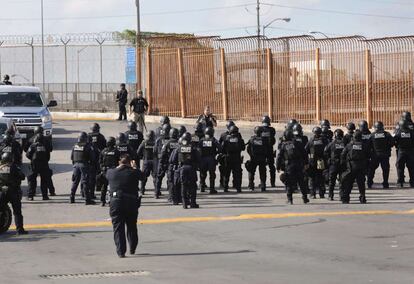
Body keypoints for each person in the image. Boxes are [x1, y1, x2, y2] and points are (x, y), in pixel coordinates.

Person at [106, 154, 143, 258]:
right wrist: (135, 167)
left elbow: (106, 176)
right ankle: (132, 248)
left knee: (118, 227)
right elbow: (143, 176)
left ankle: (121, 252)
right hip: (131, 202)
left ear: (119, 162)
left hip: (116, 202)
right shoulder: (134, 172)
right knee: (131, 226)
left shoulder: (111, 172)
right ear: (130, 162)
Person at [276, 130, 310, 204]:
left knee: (289, 182)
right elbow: (305, 154)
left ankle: (290, 199)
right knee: (301, 181)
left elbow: (279, 157)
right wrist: (306, 163)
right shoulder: (298, 143)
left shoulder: (284, 145)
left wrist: (278, 167)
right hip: (299, 164)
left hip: (289, 166)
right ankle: (305, 198)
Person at [170, 133, 200, 209]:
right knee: (193, 186)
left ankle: (184, 204)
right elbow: (198, 159)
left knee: (183, 185)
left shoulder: (178, 148)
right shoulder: (193, 148)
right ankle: (193, 203)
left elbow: (173, 159)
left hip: (182, 168)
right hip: (191, 168)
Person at [340, 130, 370, 204]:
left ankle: (346, 198)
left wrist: (344, 164)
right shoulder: (364, 145)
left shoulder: (349, 145)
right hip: (361, 166)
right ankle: (362, 198)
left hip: (351, 166)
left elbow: (343, 155)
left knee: (349, 183)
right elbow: (368, 155)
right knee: (361, 184)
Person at [0, 152, 27, 235]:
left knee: (1, 209)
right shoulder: (14, 167)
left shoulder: (0, 168)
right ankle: (20, 230)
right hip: (13, 191)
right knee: (17, 212)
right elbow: (22, 176)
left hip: (2, 191)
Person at [70, 132, 96, 205]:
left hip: (75, 165)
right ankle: (87, 199)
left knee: (75, 181)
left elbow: (72, 157)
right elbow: (92, 158)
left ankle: (72, 197)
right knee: (85, 182)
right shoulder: (88, 146)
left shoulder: (74, 146)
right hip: (84, 165)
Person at [367, 121, 393, 189]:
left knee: (372, 169)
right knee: (385, 170)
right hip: (385, 155)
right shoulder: (387, 134)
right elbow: (392, 143)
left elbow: (368, 146)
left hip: (375, 155)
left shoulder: (372, 135)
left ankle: (369, 183)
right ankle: (385, 183)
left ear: (375, 128)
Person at [26, 133, 52, 201]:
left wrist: (32, 159)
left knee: (32, 181)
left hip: (34, 165)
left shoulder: (32, 146)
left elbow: (28, 155)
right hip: (44, 165)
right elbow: (48, 157)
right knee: (44, 181)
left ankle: (30, 196)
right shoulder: (45, 146)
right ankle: (45, 196)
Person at [305, 126, 328, 199]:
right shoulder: (324, 140)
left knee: (312, 178)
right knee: (321, 177)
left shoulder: (311, 140)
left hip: (312, 161)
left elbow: (306, 150)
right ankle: (322, 193)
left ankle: (312, 194)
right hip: (321, 161)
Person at [221, 126, 245, 193]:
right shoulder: (239, 139)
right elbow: (243, 148)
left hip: (228, 157)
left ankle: (225, 188)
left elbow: (222, 148)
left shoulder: (226, 139)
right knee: (237, 174)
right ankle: (238, 188)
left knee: (227, 173)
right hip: (237, 158)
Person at [324, 129, 345, 200]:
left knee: (331, 181)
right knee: (342, 181)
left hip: (333, 165)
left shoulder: (331, 144)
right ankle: (341, 196)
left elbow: (325, 152)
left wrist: (329, 160)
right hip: (342, 164)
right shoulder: (344, 143)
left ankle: (330, 195)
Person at [160, 128, 180, 202]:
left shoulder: (167, 143)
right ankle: (179, 197)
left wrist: (162, 164)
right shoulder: (180, 143)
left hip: (170, 165)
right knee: (178, 181)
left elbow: (162, 154)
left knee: (170, 181)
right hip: (179, 165)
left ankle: (171, 197)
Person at [199, 127, 221, 194]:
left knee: (202, 174)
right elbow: (220, 148)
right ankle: (212, 189)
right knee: (212, 174)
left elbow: (198, 148)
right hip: (211, 159)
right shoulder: (213, 140)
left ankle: (202, 187)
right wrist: (216, 153)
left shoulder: (201, 140)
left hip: (203, 159)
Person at [99, 137, 120, 206]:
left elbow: (100, 161)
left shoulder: (103, 151)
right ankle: (112, 200)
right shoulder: (116, 151)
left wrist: (102, 168)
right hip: (114, 171)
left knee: (104, 186)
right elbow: (119, 161)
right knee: (113, 187)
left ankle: (102, 201)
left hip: (105, 171)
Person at [246, 126, 267, 192]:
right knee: (262, 172)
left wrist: (251, 155)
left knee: (251, 172)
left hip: (253, 158)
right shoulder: (264, 139)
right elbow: (267, 149)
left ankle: (251, 185)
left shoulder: (252, 139)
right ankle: (263, 186)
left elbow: (248, 149)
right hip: (262, 158)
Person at [394, 120, 414, 187]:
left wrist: (397, 146)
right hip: (410, 152)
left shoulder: (398, 132)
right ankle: (412, 182)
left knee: (400, 167)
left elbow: (394, 141)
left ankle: (400, 182)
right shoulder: (411, 132)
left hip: (401, 152)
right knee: (411, 167)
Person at [153, 124, 171, 198]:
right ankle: (170, 194)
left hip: (161, 160)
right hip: (169, 161)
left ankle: (156, 193)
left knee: (159, 177)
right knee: (170, 178)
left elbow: (154, 151)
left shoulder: (158, 139)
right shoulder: (172, 140)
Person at [137, 131, 157, 195]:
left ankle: (142, 190)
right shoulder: (156, 142)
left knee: (144, 177)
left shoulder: (144, 142)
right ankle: (156, 191)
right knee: (155, 177)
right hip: (154, 162)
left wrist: (142, 156)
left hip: (146, 162)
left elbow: (138, 152)